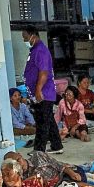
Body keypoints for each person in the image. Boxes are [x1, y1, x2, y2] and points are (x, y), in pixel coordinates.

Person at [21, 25, 62, 154]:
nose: (24, 41)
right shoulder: (34, 51)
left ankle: (39, 150)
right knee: (48, 119)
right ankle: (57, 145)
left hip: (44, 93)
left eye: (25, 38)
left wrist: (38, 90)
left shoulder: (41, 51)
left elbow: (44, 72)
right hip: (39, 93)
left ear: (33, 36)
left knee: (42, 122)